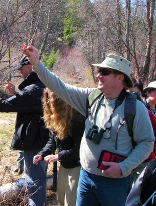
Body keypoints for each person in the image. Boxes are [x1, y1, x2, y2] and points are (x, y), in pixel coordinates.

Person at [21, 45, 154, 206]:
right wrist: (36, 63)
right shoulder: (92, 98)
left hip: (115, 184)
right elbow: (60, 87)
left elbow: (147, 143)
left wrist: (123, 167)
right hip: (85, 178)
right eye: (99, 71)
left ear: (120, 78)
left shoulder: (135, 108)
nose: (98, 75)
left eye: (105, 72)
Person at [0, 56, 50, 206]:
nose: (20, 72)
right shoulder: (42, 84)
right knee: (39, 177)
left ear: (28, 67)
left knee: (34, 182)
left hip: (34, 142)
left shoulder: (32, 90)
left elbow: (7, 105)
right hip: (42, 139)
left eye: (21, 69)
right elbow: (28, 104)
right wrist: (16, 94)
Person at [33, 88, 85, 206]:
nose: (47, 103)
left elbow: (80, 150)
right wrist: (41, 154)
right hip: (64, 164)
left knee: (71, 201)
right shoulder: (56, 118)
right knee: (60, 199)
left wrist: (58, 156)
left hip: (78, 166)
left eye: (50, 99)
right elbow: (52, 142)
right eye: (46, 99)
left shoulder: (75, 120)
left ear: (59, 101)